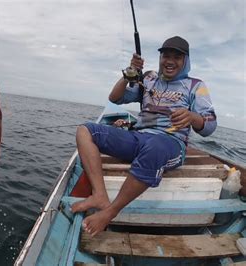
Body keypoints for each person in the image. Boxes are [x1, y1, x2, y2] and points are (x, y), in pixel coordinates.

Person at [71, 36, 217, 236]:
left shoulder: (196, 85)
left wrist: (192, 116)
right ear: (160, 58)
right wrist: (130, 73)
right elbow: (115, 98)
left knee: (155, 145)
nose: (170, 61)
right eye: (166, 55)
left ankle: (110, 212)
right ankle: (99, 195)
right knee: (85, 130)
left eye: (177, 57)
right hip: (138, 138)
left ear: (186, 61)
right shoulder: (148, 78)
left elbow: (210, 126)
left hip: (170, 143)